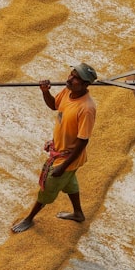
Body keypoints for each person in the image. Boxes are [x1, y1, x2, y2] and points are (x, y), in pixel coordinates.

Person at [11, 62, 98, 233]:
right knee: (69, 183)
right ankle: (78, 213)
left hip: (67, 158)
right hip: (62, 152)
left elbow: (83, 141)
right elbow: (54, 105)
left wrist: (62, 166)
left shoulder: (87, 109)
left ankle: (29, 219)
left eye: (76, 79)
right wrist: (45, 91)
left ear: (85, 85)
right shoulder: (68, 91)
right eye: (71, 75)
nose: (70, 79)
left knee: (47, 189)